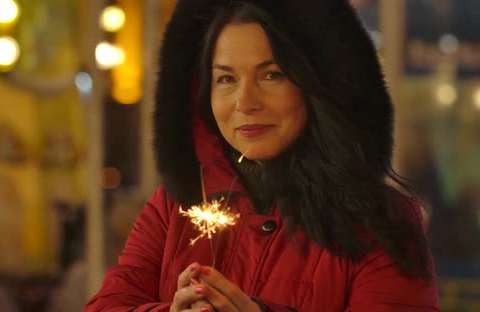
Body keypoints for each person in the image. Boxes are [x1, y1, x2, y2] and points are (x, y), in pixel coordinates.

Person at [85, 1, 439, 311]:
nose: (245, 102)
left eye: (271, 75)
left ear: (315, 86)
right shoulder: (177, 206)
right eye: (225, 79)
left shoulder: (383, 221)